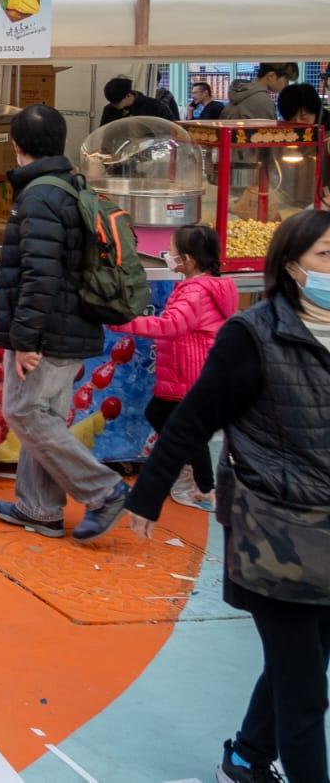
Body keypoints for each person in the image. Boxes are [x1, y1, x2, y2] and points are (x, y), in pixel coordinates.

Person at [127, 209, 330, 783]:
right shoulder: (252, 334)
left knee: (305, 663)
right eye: (325, 255)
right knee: (308, 690)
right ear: (291, 265)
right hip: (276, 532)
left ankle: (245, 758)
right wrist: (148, 493)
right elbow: (193, 418)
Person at [0, 104, 131, 542]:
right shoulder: (68, 185)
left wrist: (26, 339)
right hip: (71, 325)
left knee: (24, 410)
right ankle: (40, 507)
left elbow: (40, 273)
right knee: (45, 413)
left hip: (48, 332)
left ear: (16, 147)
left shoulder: (39, 196)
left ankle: (103, 490)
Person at [119, 223, 233, 511]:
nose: (167, 255)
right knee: (161, 416)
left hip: (189, 374)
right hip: (188, 372)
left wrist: (122, 322)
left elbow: (170, 325)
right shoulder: (201, 286)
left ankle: (204, 487)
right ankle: (191, 472)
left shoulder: (195, 292)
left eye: (171, 251)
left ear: (189, 260)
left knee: (183, 430)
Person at [228, 63, 293, 121]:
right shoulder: (263, 101)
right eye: (286, 80)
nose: (287, 84)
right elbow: (270, 133)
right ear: (271, 76)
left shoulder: (240, 91)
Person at [103, 76, 175, 121]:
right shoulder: (109, 110)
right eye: (111, 102)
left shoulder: (153, 106)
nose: (113, 105)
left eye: (116, 102)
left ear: (128, 95)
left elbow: (170, 126)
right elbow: (106, 135)